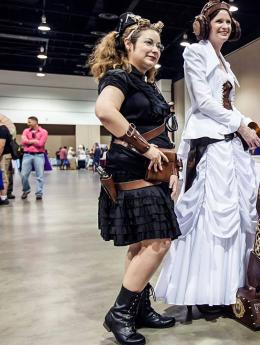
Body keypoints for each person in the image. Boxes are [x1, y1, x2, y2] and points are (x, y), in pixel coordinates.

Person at [155, 0, 260, 316]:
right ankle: (207, 293)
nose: (225, 26)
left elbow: (227, 103)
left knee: (236, 215)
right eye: (219, 21)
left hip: (230, 147)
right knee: (211, 216)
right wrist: (239, 125)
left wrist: (248, 126)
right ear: (205, 23)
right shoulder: (195, 53)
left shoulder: (224, 61)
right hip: (210, 144)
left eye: (229, 21)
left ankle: (231, 290)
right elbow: (202, 101)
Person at [88, 12, 180, 345]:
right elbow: (104, 112)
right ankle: (121, 312)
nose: (155, 49)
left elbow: (162, 133)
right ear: (129, 44)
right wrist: (144, 148)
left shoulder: (147, 83)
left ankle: (139, 307)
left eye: (158, 44)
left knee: (143, 243)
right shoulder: (119, 77)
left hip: (155, 169)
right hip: (131, 165)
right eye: (148, 43)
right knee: (159, 242)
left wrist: (172, 170)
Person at [20, 116, 48, 200]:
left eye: (29, 122)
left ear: (35, 122)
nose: (27, 123)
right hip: (27, 155)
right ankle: (26, 190)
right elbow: (23, 142)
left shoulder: (43, 132)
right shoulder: (25, 131)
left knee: (39, 175)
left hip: (39, 155)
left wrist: (29, 142)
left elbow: (41, 144)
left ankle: (39, 193)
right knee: (23, 175)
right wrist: (34, 141)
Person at [0, 124, 12, 205]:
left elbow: (1, 145)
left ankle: (4, 197)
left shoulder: (2, 129)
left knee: (3, 176)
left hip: (3, 155)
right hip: (2, 155)